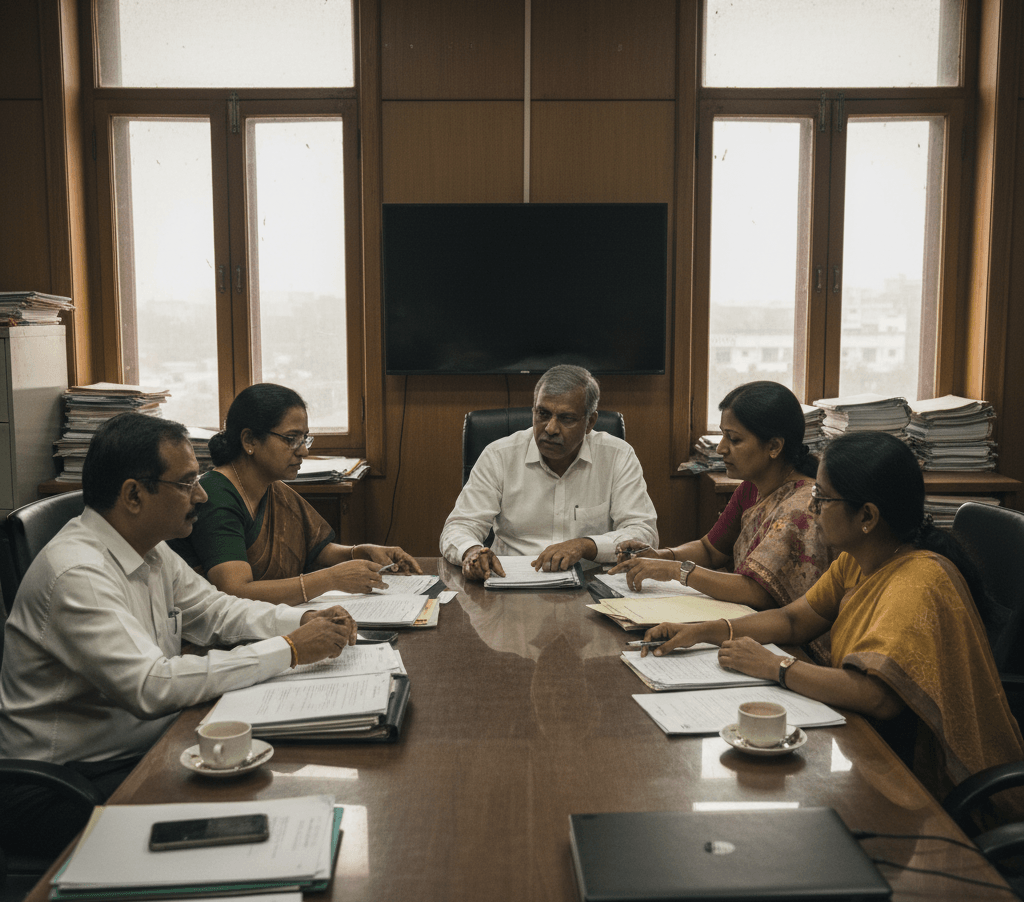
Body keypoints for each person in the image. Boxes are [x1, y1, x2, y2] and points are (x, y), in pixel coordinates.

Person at [0, 412, 357, 857]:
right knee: (248, 822)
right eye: (187, 483)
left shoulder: (149, 549)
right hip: (63, 787)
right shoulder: (77, 573)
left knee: (274, 776)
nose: (203, 495)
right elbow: (150, 686)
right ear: (133, 494)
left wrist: (298, 623)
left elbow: (216, 611)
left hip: (142, 748)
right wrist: (288, 650)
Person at [643, 431, 1024, 805]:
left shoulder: (917, 582)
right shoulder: (859, 559)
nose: (811, 509)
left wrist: (776, 666)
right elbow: (795, 620)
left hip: (935, 786)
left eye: (822, 498)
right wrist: (708, 631)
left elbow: (879, 698)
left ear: (868, 516)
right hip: (877, 747)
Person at [172, 383, 420, 604]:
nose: (303, 451)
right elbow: (235, 592)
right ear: (249, 440)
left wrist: (361, 551)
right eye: (291, 439)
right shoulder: (215, 497)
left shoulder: (273, 488)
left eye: (305, 439)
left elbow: (314, 550)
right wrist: (329, 579)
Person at [610, 381, 832, 609]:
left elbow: (758, 592)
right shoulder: (751, 487)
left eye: (734, 439)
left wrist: (676, 571)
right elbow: (710, 550)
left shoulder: (801, 507)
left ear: (774, 446)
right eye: (723, 436)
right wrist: (661, 556)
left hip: (786, 638)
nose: (721, 448)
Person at [440, 364, 658, 581]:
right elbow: (460, 526)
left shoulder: (617, 456)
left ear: (590, 422)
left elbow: (643, 533)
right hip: (511, 584)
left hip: (592, 583)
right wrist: (471, 551)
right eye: (543, 414)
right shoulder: (500, 455)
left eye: (566, 418)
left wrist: (587, 545)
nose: (551, 428)